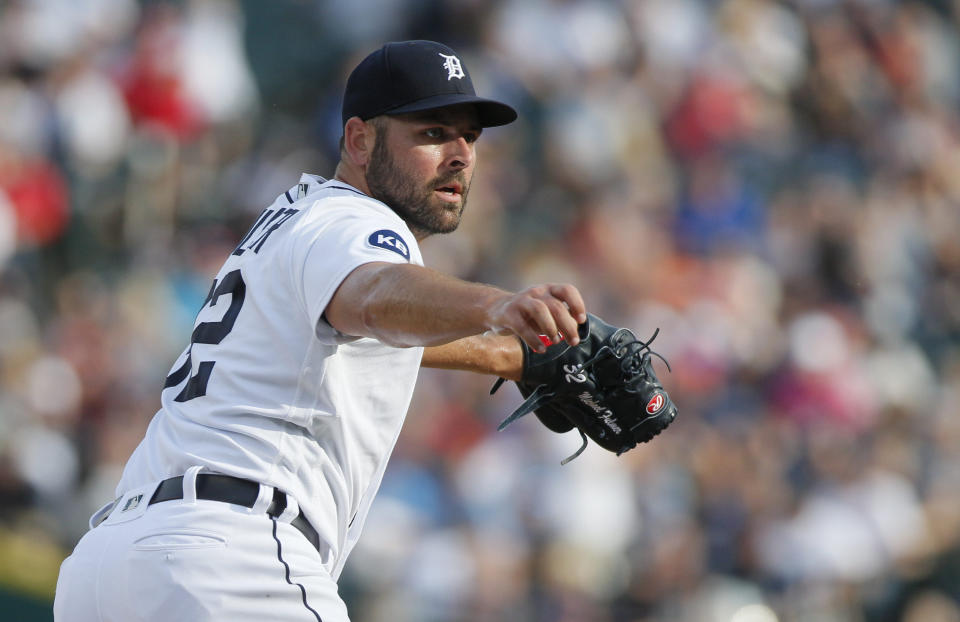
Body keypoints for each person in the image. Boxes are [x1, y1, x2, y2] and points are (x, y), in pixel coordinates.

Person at [53, 40, 589, 621]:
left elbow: (352, 330)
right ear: (359, 140)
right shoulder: (358, 222)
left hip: (108, 568)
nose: (460, 154)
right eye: (433, 133)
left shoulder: (294, 219)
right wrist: (499, 304)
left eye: (470, 137)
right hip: (232, 560)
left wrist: (505, 357)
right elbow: (376, 295)